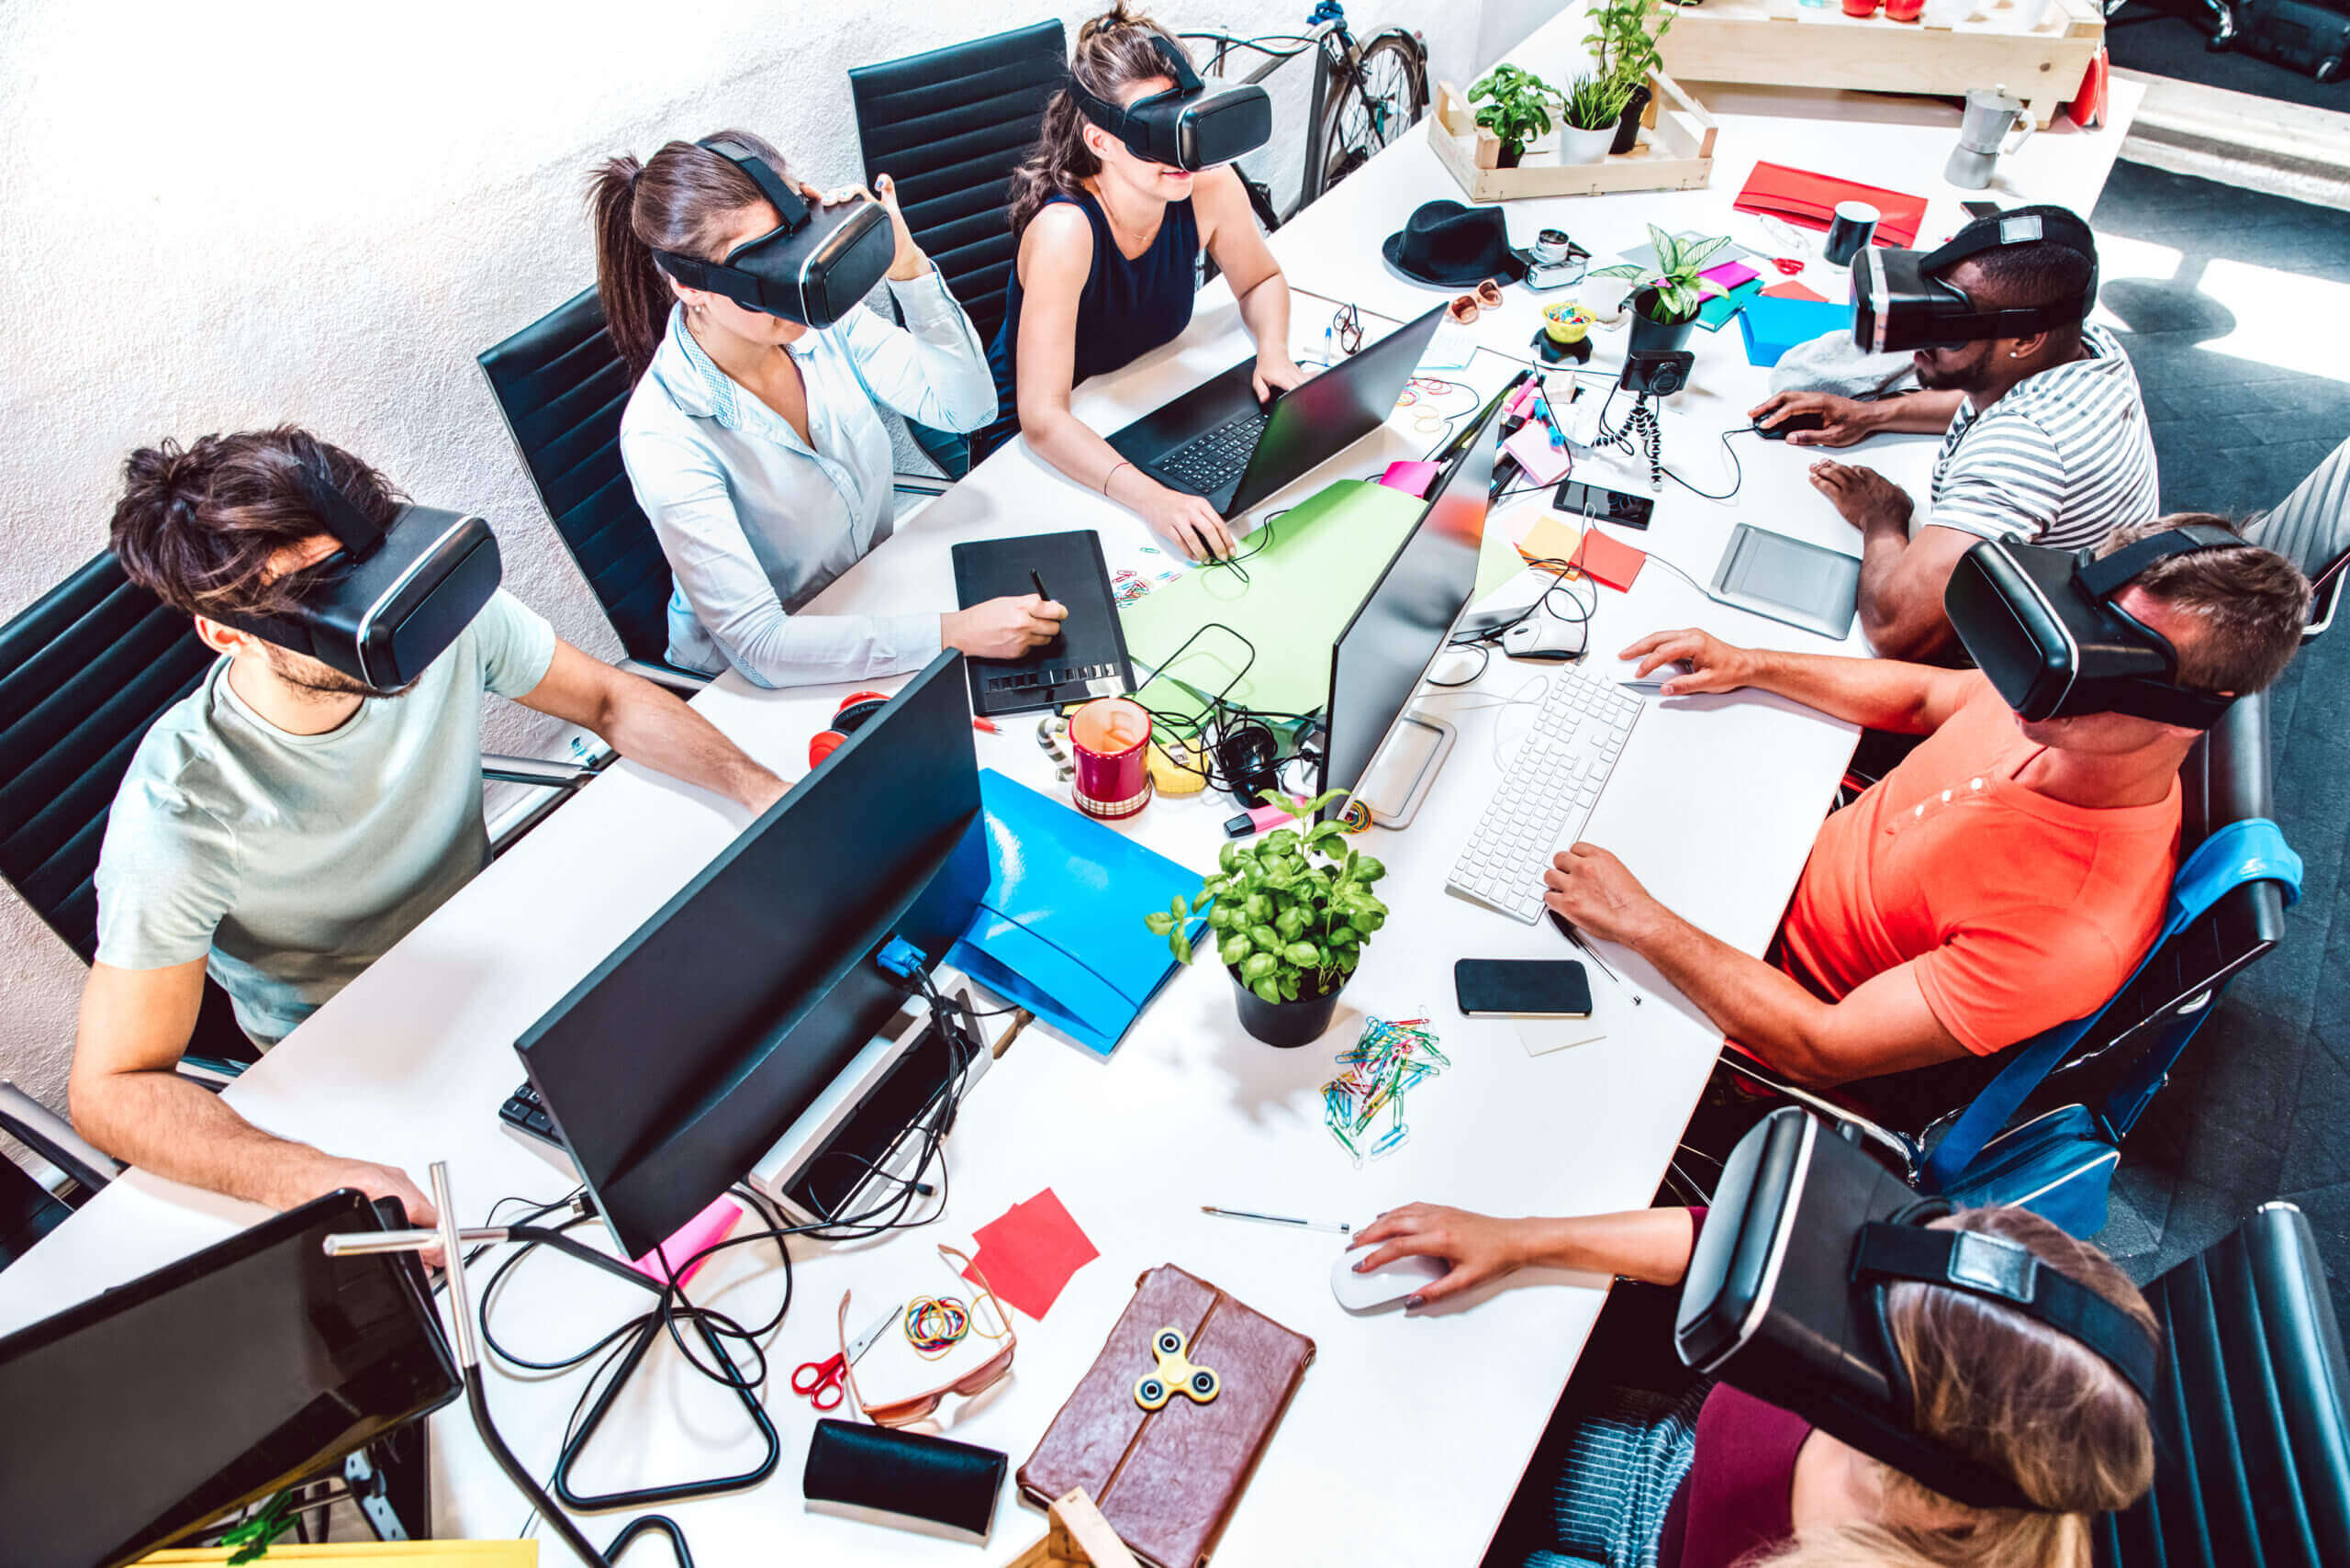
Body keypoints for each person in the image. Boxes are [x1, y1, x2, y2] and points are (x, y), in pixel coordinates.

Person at [74, 428, 790, 1229]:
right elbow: (112, 1090)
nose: (376, 610)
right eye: (320, 596)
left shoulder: (419, 613)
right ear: (229, 633)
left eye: (367, 561)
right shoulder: (182, 813)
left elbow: (609, 701)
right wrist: (310, 1177)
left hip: (499, 954)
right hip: (364, 1060)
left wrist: (764, 793)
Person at [1544, 517, 2308, 1090]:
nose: (2043, 667)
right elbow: (1922, 694)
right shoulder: (2052, 719)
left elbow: (1820, 1046)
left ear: (2194, 709)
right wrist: (1750, 662)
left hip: (1743, 998)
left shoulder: (2074, 936)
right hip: (1760, 866)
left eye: (2111, 656)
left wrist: (1644, 922)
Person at [1349, 1200, 2156, 1568]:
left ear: (1930, 1489)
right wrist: (1522, 1236)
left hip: (1651, 1550)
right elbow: (1729, 1244)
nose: (1831, 1320)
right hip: (1669, 1455)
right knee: (1404, 1423)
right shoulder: (1932, 1334)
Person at [593, 129, 1063, 689]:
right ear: (688, 286)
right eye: (760, 260)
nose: (792, 279)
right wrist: (951, 634)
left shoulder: (816, 325)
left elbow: (967, 410)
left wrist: (904, 263)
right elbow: (762, 647)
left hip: (874, 600)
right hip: (756, 685)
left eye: (795, 236)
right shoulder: (663, 433)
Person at [1750, 212, 2157, 662]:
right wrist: (1872, 414)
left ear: (2024, 339)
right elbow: (1988, 395)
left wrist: (1883, 518)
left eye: (1950, 329)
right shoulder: (2085, 346)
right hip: (2084, 588)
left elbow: (1894, 633)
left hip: (2024, 657)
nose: (1919, 345)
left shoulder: (2023, 450)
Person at [980, 5, 1309, 563]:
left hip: (1135, 407)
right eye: (1153, 131)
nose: (1179, 155)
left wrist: (1273, 354)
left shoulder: (1205, 186)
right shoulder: (1066, 232)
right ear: (1102, 141)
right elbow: (1042, 418)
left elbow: (1261, 280)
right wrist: (1154, 499)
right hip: (1038, 444)